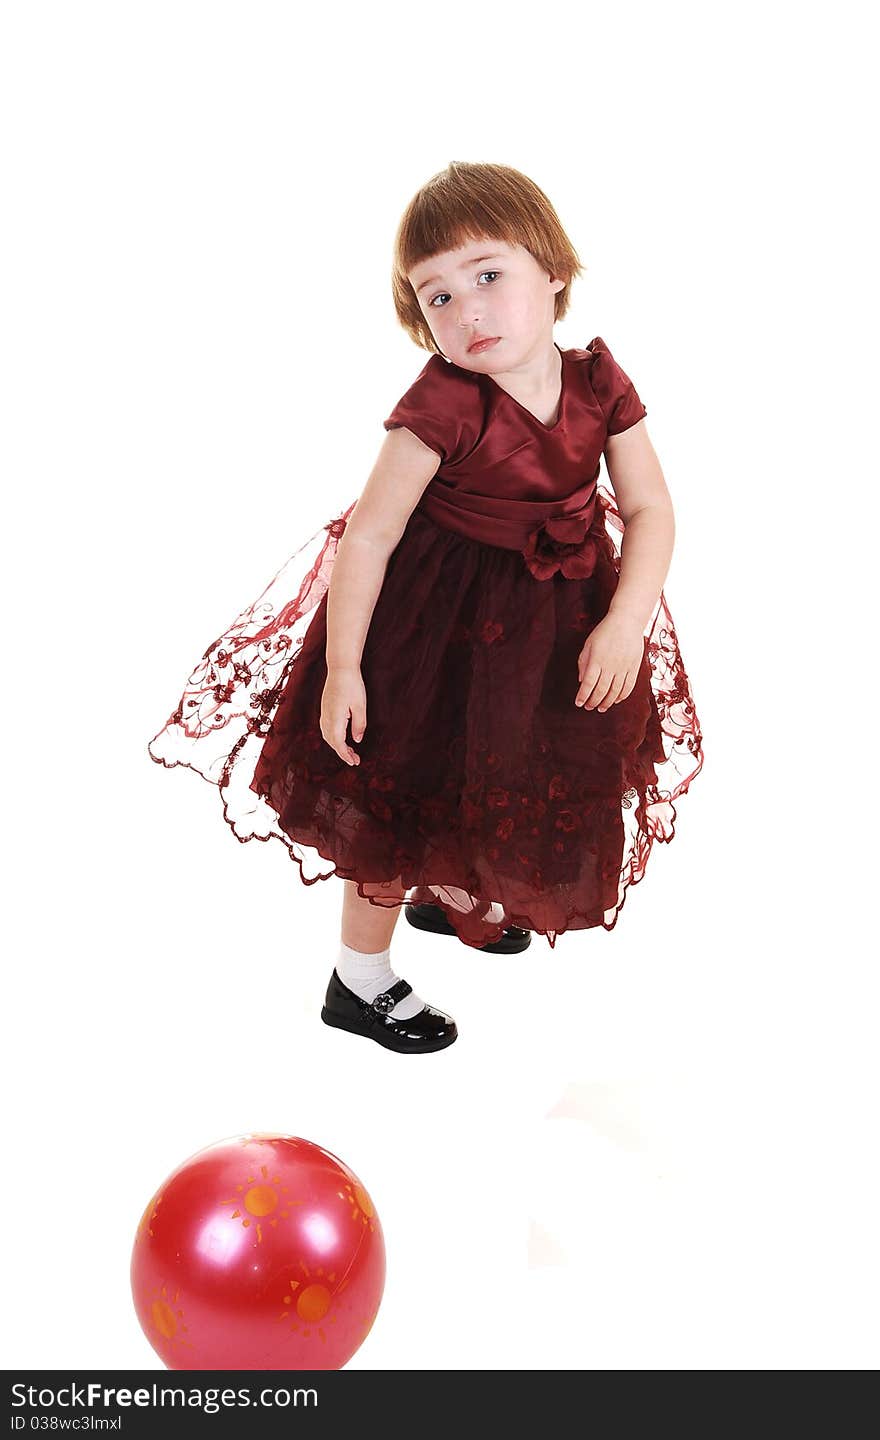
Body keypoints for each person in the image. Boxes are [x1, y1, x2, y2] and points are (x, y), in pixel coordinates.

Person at [148, 160, 703, 1056]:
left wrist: (624, 619)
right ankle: (358, 981)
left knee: (510, 766)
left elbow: (651, 508)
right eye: (436, 297)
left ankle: (452, 892)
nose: (467, 310)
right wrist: (343, 668)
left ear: (553, 271)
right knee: (400, 787)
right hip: (434, 631)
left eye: (489, 276)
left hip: (548, 629)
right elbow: (367, 538)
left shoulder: (600, 385)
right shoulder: (442, 405)